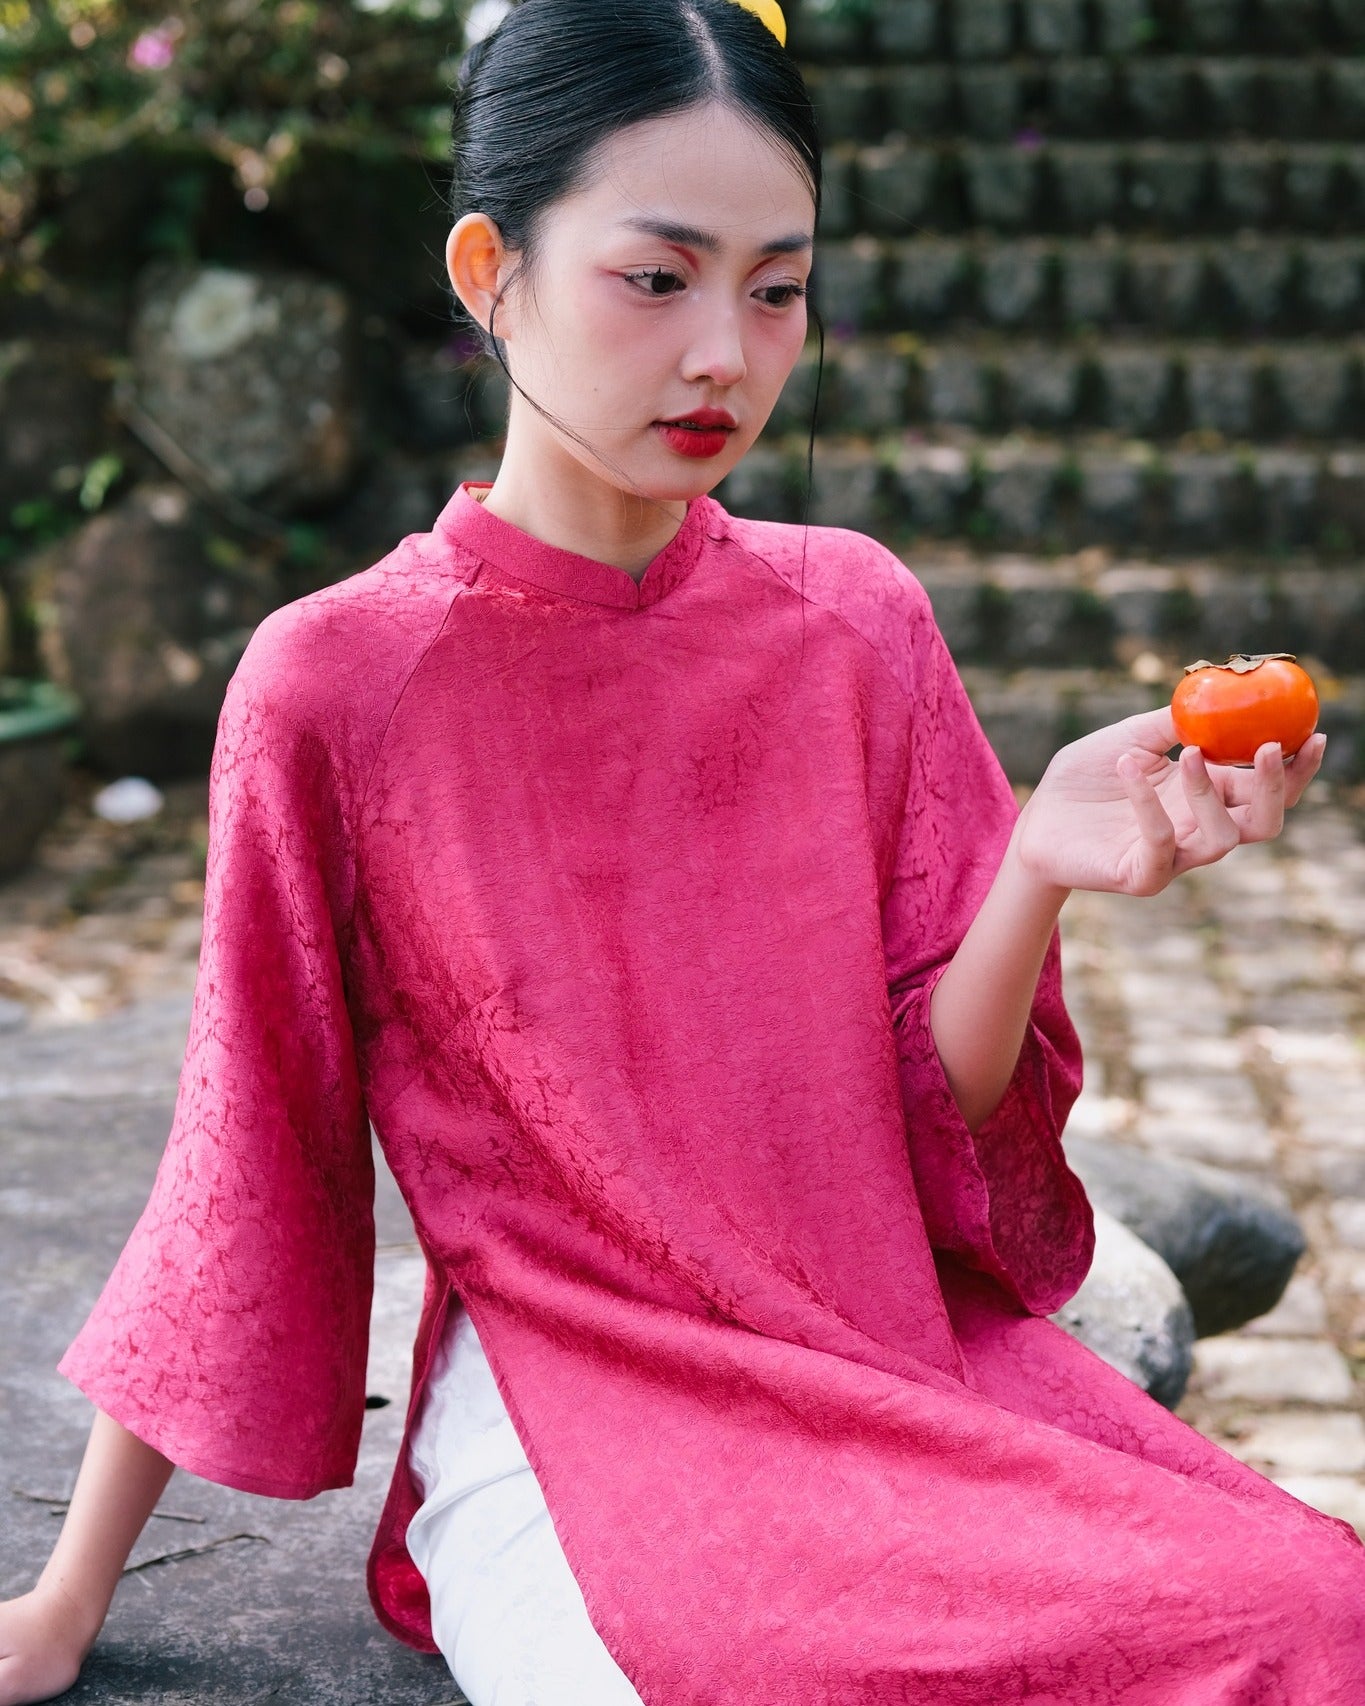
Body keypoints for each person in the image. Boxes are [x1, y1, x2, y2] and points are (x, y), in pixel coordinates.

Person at [3, 0, 1364, 1700]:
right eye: (657, 278)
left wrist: (1031, 870)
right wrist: (64, 1601)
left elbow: (934, 1137)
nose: (725, 350)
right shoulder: (332, 683)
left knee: (1318, 1615)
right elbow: (249, 1159)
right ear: (489, 267)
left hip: (887, 1369)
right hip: (571, 1417)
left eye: (776, 285)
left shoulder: (854, 617)